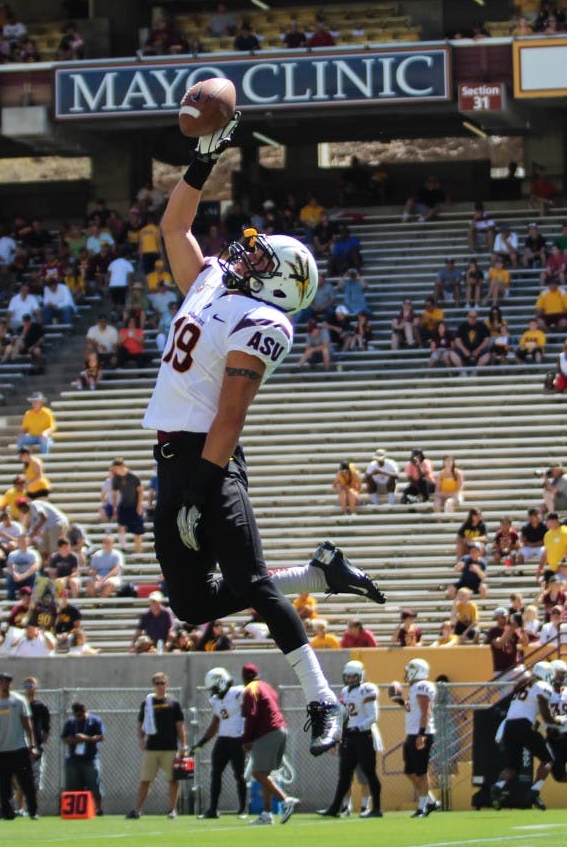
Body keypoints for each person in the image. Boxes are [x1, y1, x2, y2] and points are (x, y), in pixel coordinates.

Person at [141, 116, 383, 756]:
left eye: (262, 256)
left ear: (277, 284)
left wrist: (199, 489)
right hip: (171, 456)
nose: (246, 251)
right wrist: (203, 159)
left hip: (209, 458)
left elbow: (230, 416)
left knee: (249, 584)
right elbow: (173, 227)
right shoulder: (216, 281)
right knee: (191, 605)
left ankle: (323, 699)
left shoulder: (263, 321)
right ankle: (318, 573)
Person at [491, 661, 560, 810]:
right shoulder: (542, 686)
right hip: (523, 726)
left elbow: (525, 712)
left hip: (508, 727)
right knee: (548, 759)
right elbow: (546, 715)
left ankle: (498, 785)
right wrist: (557, 723)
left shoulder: (523, 685)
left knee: (512, 767)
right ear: (547, 675)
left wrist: (542, 725)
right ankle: (534, 790)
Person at [317, 660, 382, 818]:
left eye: (354, 676)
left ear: (360, 675)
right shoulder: (345, 691)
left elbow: (373, 716)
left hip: (364, 735)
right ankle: (335, 808)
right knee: (345, 773)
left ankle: (377, 808)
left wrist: (358, 727)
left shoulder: (367, 689)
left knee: (369, 772)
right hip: (350, 736)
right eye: (348, 676)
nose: (351, 679)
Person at [241, 663, 299, 826]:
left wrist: (246, 739)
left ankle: (285, 800)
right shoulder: (267, 686)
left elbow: (251, 715)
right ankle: (266, 814)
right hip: (281, 729)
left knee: (258, 773)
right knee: (266, 774)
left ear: (245, 678)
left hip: (267, 732)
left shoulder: (251, 689)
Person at [127, 672, 187, 820]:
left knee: (173, 779)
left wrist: (183, 746)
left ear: (167, 684)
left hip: (170, 747)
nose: (160, 686)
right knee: (145, 780)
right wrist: (140, 739)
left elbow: (180, 726)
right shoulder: (147, 702)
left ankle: (172, 810)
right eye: (157, 683)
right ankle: (137, 810)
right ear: (153, 685)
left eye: (163, 683)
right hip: (152, 747)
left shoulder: (174, 703)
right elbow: (141, 724)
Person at [191, 666, 247, 819]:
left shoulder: (237, 694)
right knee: (215, 774)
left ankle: (243, 809)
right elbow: (215, 723)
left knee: (240, 775)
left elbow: (249, 715)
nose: (213, 691)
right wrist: (201, 742)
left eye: (214, 687)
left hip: (238, 739)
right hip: (223, 739)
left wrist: (249, 737)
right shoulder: (216, 700)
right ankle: (213, 810)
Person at [388, 658, 440, 817]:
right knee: (409, 771)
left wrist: (421, 734)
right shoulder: (415, 688)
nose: (406, 673)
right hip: (412, 733)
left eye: (409, 670)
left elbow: (425, 712)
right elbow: (412, 710)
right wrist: (399, 700)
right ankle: (431, 802)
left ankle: (422, 807)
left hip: (421, 733)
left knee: (421, 773)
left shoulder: (422, 686)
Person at [0, 672, 38, 821]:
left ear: (10, 684)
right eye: (1, 682)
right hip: (2, 750)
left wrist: (32, 745)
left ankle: (33, 811)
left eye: (7, 682)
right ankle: (6, 812)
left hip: (19, 748)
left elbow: (28, 724)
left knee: (27, 782)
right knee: (4, 784)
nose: (4, 684)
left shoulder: (19, 700)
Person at [61, 701, 105, 816]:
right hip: (74, 759)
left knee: (94, 784)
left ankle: (98, 809)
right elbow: (64, 738)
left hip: (90, 758)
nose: (79, 718)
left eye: (81, 715)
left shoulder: (95, 721)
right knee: (73, 786)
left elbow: (100, 737)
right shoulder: (71, 723)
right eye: (77, 715)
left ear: (85, 711)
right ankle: (74, 810)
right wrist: (75, 740)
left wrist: (86, 738)